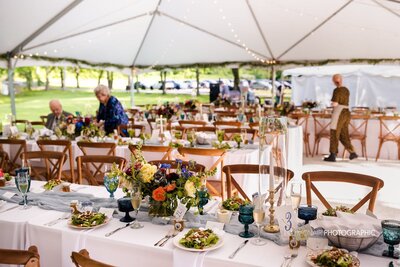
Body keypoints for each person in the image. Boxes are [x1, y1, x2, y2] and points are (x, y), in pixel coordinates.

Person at [324, 74, 358, 162]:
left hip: (339, 112)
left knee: (334, 132)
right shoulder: (346, 90)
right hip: (347, 112)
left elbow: (335, 103)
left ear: (334, 81)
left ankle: (333, 154)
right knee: (344, 133)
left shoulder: (337, 90)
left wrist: (331, 104)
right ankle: (352, 152)